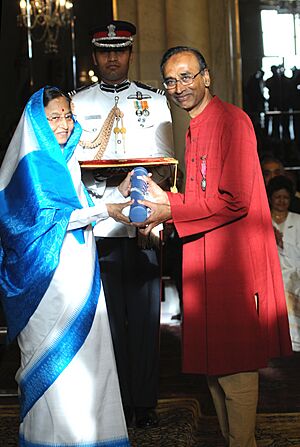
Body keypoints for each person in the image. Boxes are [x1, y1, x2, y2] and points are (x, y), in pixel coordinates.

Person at [133, 46, 292, 447]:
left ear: (207, 77)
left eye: (187, 76)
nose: (179, 86)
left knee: (235, 364)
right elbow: (200, 194)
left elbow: (235, 198)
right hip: (204, 261)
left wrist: (171, 207)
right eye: (170, 80)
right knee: (214, 367)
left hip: (233, 264)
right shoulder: (193, 127)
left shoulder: (231, 121)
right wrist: (165, 214)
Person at [0, 86, 132, 446]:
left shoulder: (66, 158)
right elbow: (50, 218)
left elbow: (83, 210)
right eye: (53, 117)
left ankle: (93, 436)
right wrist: (106, 209)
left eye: (67, 116)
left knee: (90, 361)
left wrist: (119, 193)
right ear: (37, 123)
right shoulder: (33, 162)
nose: (62, 124)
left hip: (81, 274)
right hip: (46, 284)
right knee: (56, 367)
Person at [71, 20, 174, 428]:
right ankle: (114, 401)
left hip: (141, 225)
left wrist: (146, 204)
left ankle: (143, 402)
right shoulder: (78, 103)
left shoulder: (154, 100)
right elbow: (72, 169)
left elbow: (167, 164)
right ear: (94, 56)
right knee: (106, 320)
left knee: (146, 318)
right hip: (99, 228)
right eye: (104, 51)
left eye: (120, 50)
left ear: (130, 53)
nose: (112, 57)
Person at [267, 175, 300, 352]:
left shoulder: (298, 220)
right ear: (271, 198)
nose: (281, 201)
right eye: (277, 197)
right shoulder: (263, 220)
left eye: (285, 197)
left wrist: (281, 244)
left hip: (295, 275)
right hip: (271, 275)